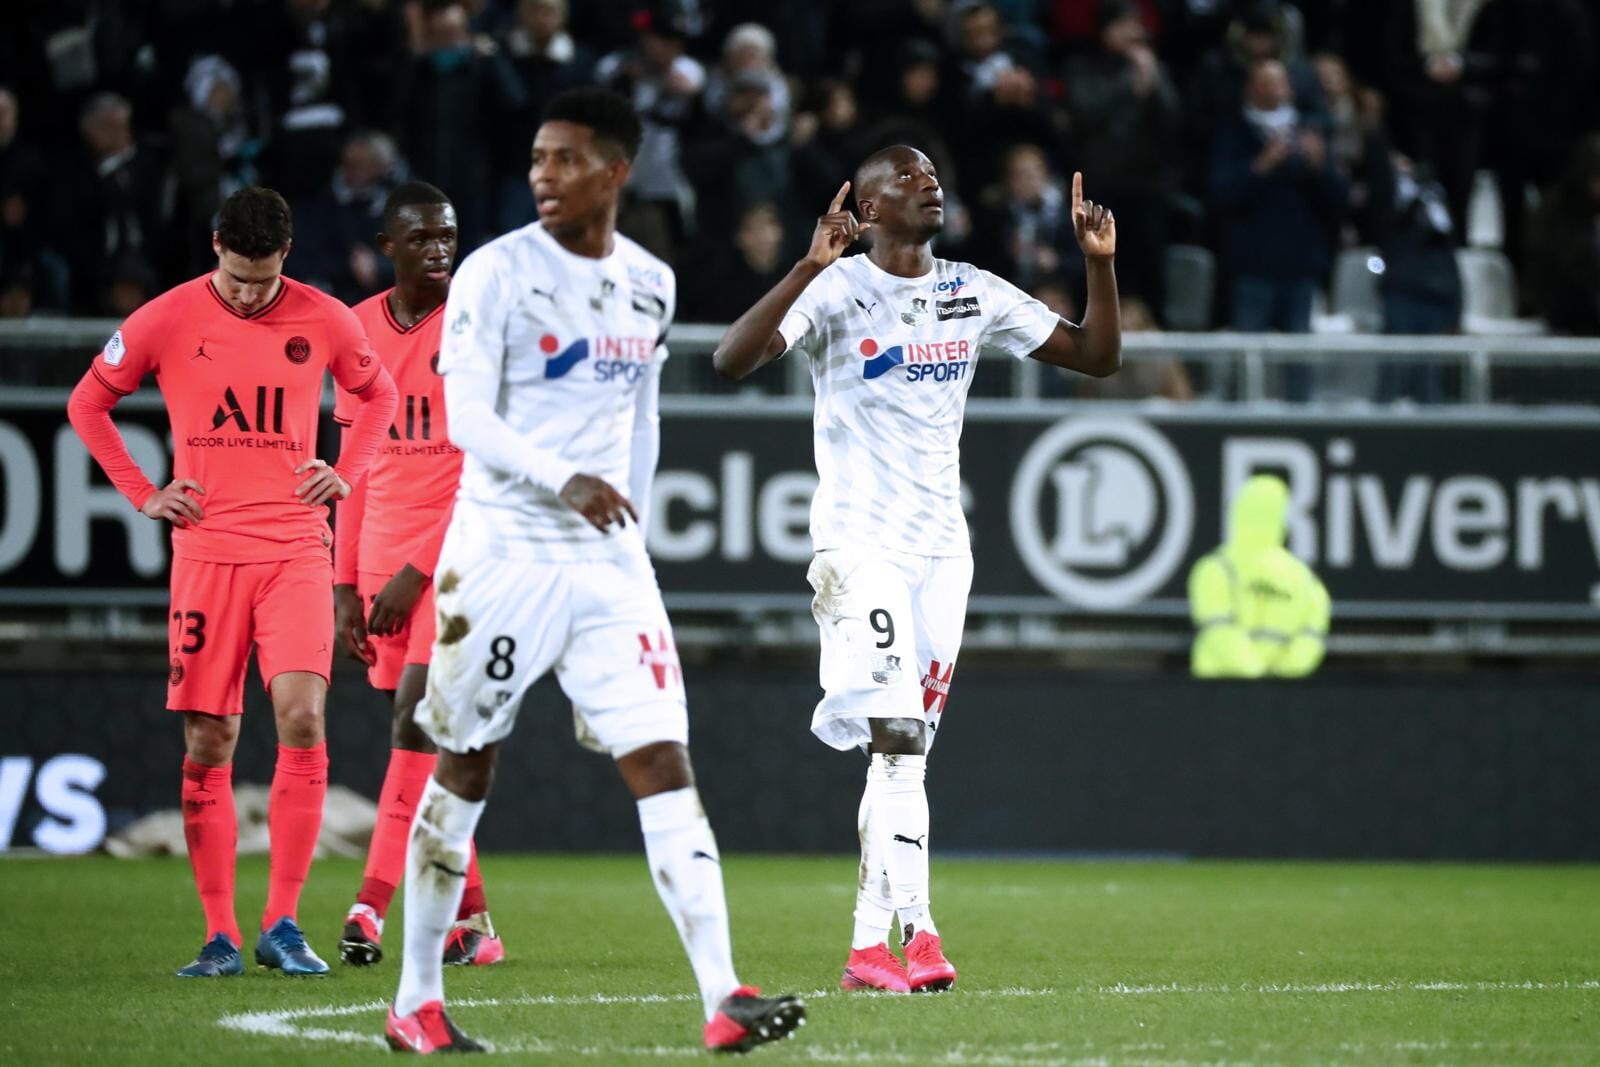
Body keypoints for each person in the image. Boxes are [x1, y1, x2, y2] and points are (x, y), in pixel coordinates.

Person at [383, 88, 805, 1054]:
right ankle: (416, 998)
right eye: (538, 157)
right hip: (501, 555)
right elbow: (467, 419)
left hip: (607, 565)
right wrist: (562, 477)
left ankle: (723, 994)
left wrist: (633, 524)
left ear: (616, 172)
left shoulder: (651, 282)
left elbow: (642, 414)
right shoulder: (496, 272)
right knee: (466, 763)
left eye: (565, 158)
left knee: (663, 758)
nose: (544, 173)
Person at [713, 148, 1120, 992]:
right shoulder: (835, 288)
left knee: (904, 755)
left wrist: (1099, 265)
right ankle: (922, 933)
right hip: (860, 548)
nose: (929, 182)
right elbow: (732, 359)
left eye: (933, 173)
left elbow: (1096, 356)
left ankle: (868, 952)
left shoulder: (971, 291)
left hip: (943, 554)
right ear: (866, 209)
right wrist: (805, 265)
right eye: (906, 176)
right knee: (897, 734)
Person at [64, 186, 400, 977]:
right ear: (215, 246)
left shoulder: (324, 317)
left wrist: (346, 470)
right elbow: (88, 403)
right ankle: (219, 933)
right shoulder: (166, 317)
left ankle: (282, 923)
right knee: (210, 738)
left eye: (264, 278)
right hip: (207, 554)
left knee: (303, 716)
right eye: (239, 278)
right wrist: (145, 493)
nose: (250, 295)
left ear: (287, 255)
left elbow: (379, 393)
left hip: (295, 549)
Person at [332, 181, 505, 969]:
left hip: (455, 559)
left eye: (449, 235)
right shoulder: (357, 329)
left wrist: (418, 568)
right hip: (378, 562)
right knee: (423, 747)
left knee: (417, 727)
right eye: (424, 237)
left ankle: (369, 904)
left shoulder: (475, 323)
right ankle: (475, 921)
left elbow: (484, 469)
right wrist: (344, 584)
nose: (440, 249)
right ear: (389, 246)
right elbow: (355, 466)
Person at [1188, 475, 1329, 678]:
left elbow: (1218, 630)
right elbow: (1310, 639)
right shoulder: (1305, 578)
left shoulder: (1215, 568)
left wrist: (1256, 677)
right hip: (1281, 692)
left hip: (1218, 687)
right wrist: (1278, 680)